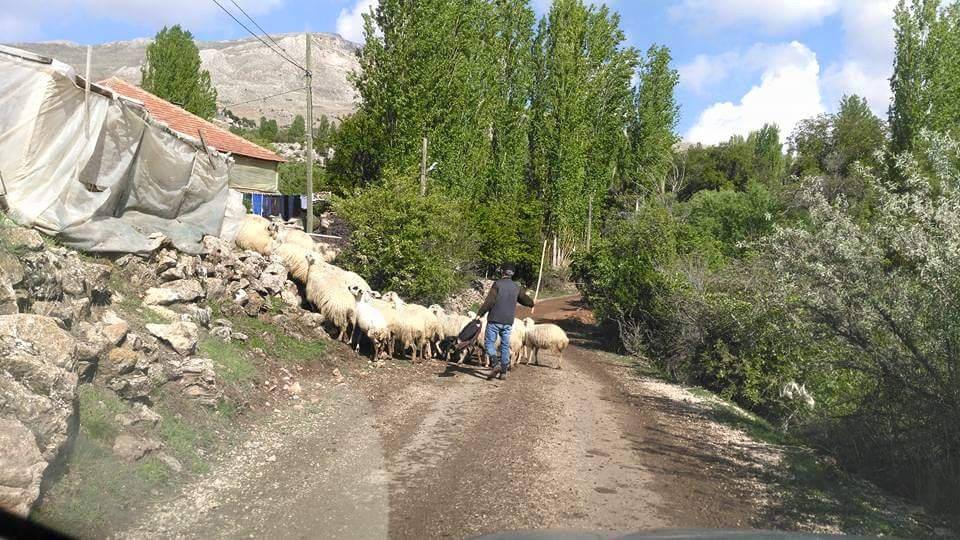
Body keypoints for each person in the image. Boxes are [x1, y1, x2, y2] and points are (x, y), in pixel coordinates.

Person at [476, 263, 535, 380]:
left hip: (494, 320)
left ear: (502, 272)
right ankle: (503, 372)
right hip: (508, 322)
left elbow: (490, 301)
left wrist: (480, 313)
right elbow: (524, 299)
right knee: (505, 345)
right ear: (512, 274)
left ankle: (495, 363)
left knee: (488, 343)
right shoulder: (516, 287)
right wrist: (532, 303)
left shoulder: (497, 284)